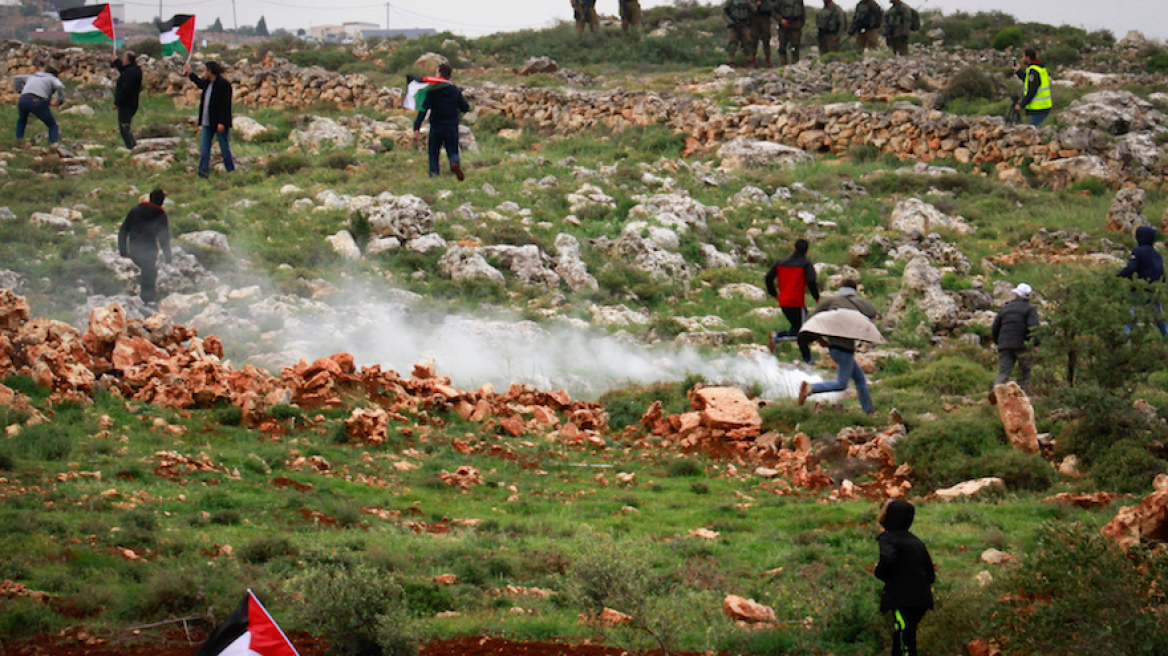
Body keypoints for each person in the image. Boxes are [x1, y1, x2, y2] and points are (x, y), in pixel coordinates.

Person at [797, 279, 878, 414]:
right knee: (841, 384)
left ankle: (869, 411)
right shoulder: (857, 303)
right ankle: (811, 388)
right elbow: (871, 310)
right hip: (844, 350)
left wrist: (819, 339)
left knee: (859, 379)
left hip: (835, 348)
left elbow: (812, 319)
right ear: (855, 290)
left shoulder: (831, 302)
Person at [874, 499, 935, 656]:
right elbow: (930, 574)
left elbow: (888, 558)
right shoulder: (917, 542)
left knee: (903, 636)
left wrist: (880, 572)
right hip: (921, 599)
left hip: (901, 599)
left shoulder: (888, 538)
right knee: (906, 635)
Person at [765, 239, 820, 364]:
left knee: (796, 327)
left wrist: (774, 293)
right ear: (806, 251)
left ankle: (782, 341)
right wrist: (816, 297)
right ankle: (807, 359)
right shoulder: (806, 264)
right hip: (797, 302)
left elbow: (768, 278)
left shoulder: (780, 263)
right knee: (801, 333)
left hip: (783, 301)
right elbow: (811, 281)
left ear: (794, 248)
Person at [413, 63, 471, 180]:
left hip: (436, 126)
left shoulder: (432, 91)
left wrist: (416, 126)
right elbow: (466, 107)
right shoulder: (455, 90)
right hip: (452, 126)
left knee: (433, 153)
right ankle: (454, 163)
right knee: (452, 150)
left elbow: (423, 110)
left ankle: (434, 177)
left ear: (439, 74)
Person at [118, 189, 172, 307]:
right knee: (150, 272)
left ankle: (133, 300)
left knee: (136, 273)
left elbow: (123, 230)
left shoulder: (135, 211)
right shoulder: (160, 215)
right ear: (162, 201)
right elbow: (164, 239)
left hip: (134, 249)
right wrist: (168, 257)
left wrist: (123, 250)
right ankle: (148, 300)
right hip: (150, 250)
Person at [185, 61, 234, 179]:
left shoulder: (223, 84)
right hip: (207, 122)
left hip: (219, 123)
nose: (203, 73)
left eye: (204, 70)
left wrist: (222, 122)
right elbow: (199, 83)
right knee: (204, 149)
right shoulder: (207, 83)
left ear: (210, 71)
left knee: (224, 148)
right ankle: (203, 174)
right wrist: (190, 73)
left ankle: (231, 171)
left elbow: (226, 105)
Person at [1117, 226, 1168, 338]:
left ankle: (1127, 339)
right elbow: (1162, 273)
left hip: (1139, 289)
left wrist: (1119, 274)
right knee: (1159, 318)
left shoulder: (1138, 251)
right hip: (1153, 290)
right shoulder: (1157, 254)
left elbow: (1131, 268)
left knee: (1132, 315)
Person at [991, 283, 1040, 391]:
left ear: (1016, 294)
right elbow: (1034, 328)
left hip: (1005, 344)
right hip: (1022, 345)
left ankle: (995, 392)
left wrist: (998, 342)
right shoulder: (1030, 309)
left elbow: (995, 327)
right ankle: (1020, 395)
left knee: (1004, 372)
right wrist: (1035, 344)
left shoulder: (1005, 308)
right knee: (1025, 372)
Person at [14, 67, 66, 145]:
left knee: (22, 120)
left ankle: (18, 141)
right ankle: (53, 145)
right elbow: (60, 86)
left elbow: (16, 78)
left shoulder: (32, 76)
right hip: (38, 101)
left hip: (23, 99)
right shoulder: (52, 78)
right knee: (52, 125)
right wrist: (61, 100)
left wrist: (20, 91)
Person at [1013, 48, 1053, 127]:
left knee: (1033, 131)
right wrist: (1018, 71)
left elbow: (1032, 91)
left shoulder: (1034, 71)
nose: (1022, 59)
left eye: (1023, 56)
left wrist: (1021, 104)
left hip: (1039, 108)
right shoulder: (1037, 68)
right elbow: (1028, 81)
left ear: (1028, 57)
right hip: (1043, 106)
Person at [111, 51, 142, 149]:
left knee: (124, 126)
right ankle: (131, 146)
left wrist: (117, 102)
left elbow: (125, 89)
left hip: (127, 104)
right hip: (130, 103)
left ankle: (132, 147)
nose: (122, 59)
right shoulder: (133, 70)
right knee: (125, 125)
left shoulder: (131, 73)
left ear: (128, 59)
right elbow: (123, 69)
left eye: (124, 57)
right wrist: (116, 61)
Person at [723, 0, 755, 67]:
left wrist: (748, 20)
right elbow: (725, 12)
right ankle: (731, 62)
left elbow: (753, 10)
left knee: (747, 43)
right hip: (734, 25)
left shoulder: (746, 1)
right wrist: (731, 22)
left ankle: (749, 62)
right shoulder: (730, 1)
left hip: (744, 24)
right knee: (733, 43)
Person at [775, 0, 806, 65]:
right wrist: (781, 20)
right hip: (783, 25)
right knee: (782, 47)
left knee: (795, 46)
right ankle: (783, 64)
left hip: (795, 25)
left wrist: (800, 24)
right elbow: (773, 11)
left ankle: (795, 64)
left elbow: (802, 12)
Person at [749, 0, 776, 68]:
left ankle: (768, 61)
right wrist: (755, 6)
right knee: (753, 39)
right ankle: (752, 61)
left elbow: (773, 5)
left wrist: (764, 5)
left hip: (765, 17)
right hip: (754, 18)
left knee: (766, 39)